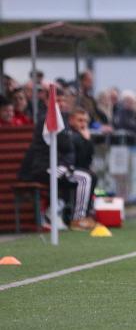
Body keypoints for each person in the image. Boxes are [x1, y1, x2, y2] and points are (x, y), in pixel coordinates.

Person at [19, 89, 95, 231]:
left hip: (57, 166)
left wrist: (82, 141)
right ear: (47, 102)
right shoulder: (47, 119)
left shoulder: (62, 119)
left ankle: (62, 211)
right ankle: (77, 218)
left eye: (63, 100)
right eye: (57, 100)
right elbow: (66, 145)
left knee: (85, 175)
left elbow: (72, 150)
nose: (61, 104)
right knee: (84, 178)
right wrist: (80, 138)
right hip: (44, 168)